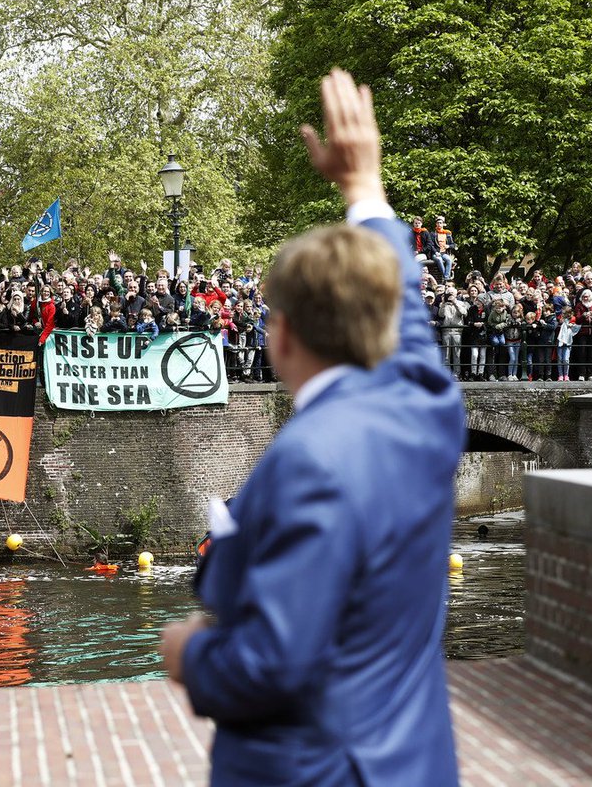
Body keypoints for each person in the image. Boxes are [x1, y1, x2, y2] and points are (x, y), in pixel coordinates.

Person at [160, 69, 462, 786]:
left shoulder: (310, 461)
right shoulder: (429, 407)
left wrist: (187, 655)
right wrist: (365, 190)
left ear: (280, 333)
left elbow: (273, 664)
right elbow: (409, 324)